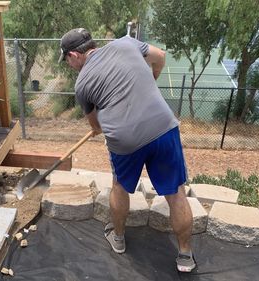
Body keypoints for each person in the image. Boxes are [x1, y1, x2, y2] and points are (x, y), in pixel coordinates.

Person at [58, 28, 196, 273]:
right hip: (163, 128)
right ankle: (185, 256)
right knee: (176, 193)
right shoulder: (125, 43)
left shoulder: (82, 85)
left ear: (74, 55)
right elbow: (160, 55)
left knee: (119, 185)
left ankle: (118, 238)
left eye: (66, 60)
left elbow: (96, 126)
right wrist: (152, 79)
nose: (69, 65)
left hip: (125, 141)